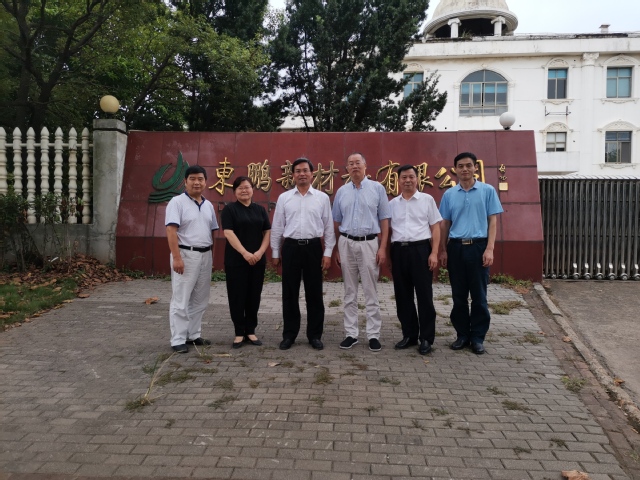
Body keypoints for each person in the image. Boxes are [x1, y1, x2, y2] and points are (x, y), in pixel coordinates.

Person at [438, 152, 503, 355]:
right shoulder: (449, 194)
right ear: (455, 169)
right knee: (458, 296)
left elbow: (493, 221)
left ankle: (477, 337)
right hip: (456, 248)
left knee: (479, 296)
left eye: (468, 165)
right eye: (460, 166)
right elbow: (445, 224)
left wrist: (490, 248)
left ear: (476, 167)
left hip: (478, 247)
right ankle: (462, 335)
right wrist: (442, 250)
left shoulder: (487, 191)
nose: (465, 169)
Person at [271, 157, 336, 351]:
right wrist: (275, 252)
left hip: (313, 247)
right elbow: (277, 226)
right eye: (298, 171)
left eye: (305, 170)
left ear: (312, 174)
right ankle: (289, 335)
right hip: (290, 247)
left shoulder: (321, 198)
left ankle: (315, 335)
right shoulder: (284, 198)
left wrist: (328, 252)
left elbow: (329, 227)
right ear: (292, 175)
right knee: (289, 293)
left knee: (314, 293)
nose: (302, 174)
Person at [332, 152, 390, 352]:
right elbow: (336, 221)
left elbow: (384, 220)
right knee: (349, 291)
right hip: (346, 243)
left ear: (365, 165)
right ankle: (351, 334)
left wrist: (382, 247)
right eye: (350, 163)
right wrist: (337, 248)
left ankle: (373, 335)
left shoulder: (377, 189)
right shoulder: (341, 192)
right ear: (347, 168)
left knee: (370, 290)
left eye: (358, 162)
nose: (354, 166)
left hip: (369, 243)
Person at [388, 165, 442, 355]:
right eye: (404, 177)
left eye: (411, 176)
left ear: (417, 179)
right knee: (403, 295)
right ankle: (409, 335)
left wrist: (434, 253)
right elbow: (389, 231)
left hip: (421, 250)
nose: (408, 180)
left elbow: (435, 228)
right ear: (398, 180)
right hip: (399, 251)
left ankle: (426, 338)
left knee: (424, 295)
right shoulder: (392, 204)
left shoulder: (427, 200)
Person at [165, 165, 219, 353]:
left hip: (205, 255)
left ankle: (193, 334)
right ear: (185, 182)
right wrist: (176, 258)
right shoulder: (177, 202)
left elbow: (212, 232)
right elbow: (171, 230)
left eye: (200, 179)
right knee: (181, 298)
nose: (197, 182)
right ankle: (178, 339)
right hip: (185, 254)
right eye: (193, 179)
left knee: (200, 298)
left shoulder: (208, 205)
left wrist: (212, 257)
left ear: (206, 182)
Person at [221, 176, 271, 349]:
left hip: (257, 260)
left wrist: (260, 252)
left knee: (253, 296)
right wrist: (244, 253)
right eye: (240, 188)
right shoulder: (229, 210)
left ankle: (250, 330)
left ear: (252, 189)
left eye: (247, 187)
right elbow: (228, 233)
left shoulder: (260, 210)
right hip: (236, 260)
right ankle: (239, 332)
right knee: (237, 296)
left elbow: (267, 232)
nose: (244, 190)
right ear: (235, 191)